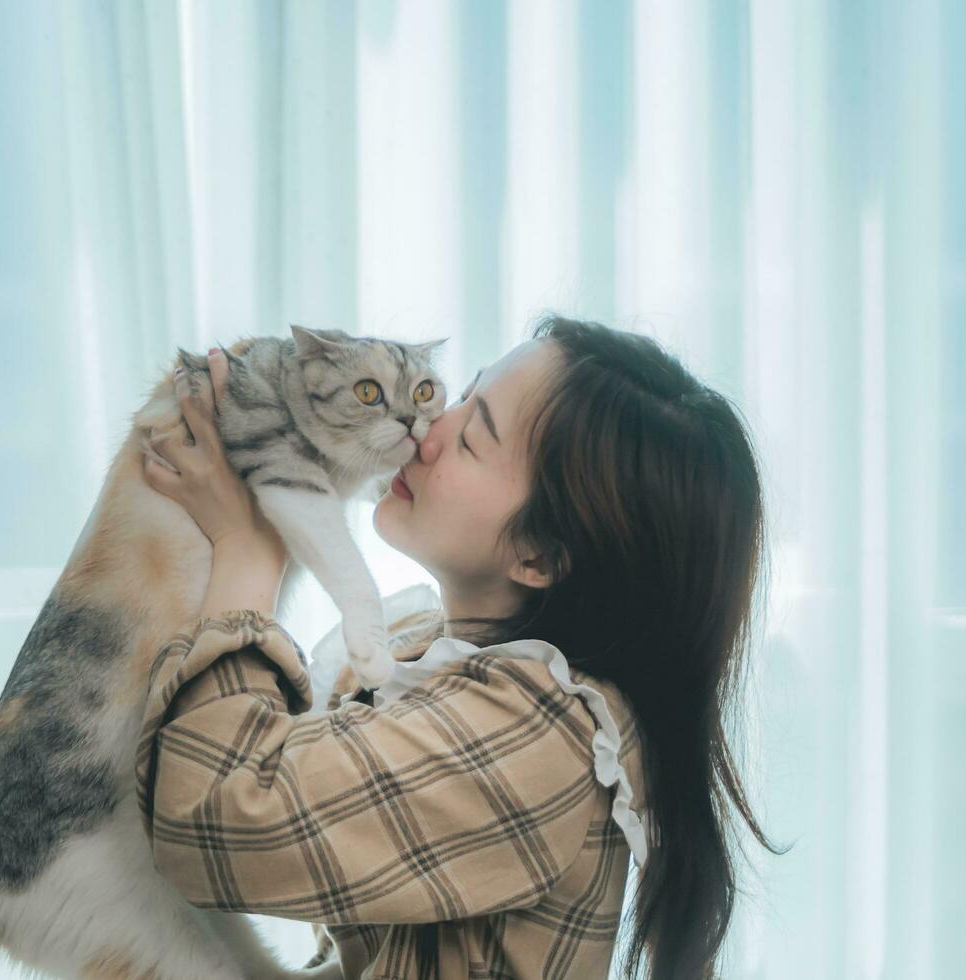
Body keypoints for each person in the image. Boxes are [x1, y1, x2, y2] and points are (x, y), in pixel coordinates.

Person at [138, 314, 785, 980]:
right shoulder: (423, 648)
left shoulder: (535, 736)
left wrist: (245, 549)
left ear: (539, 554)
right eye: (459, 394)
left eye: (473, 438)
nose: (428, 433)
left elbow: (208, 819)